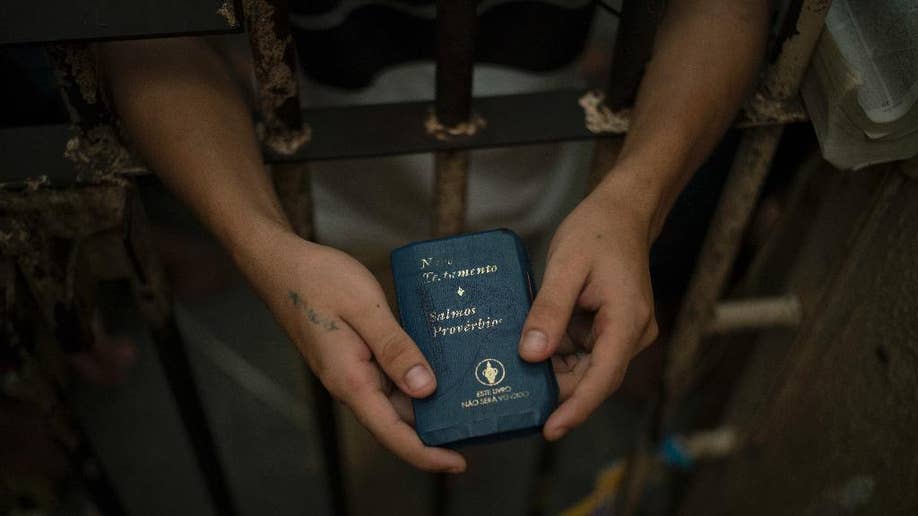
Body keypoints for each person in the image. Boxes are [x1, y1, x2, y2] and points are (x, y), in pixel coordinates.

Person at [98, 0, 769, 473]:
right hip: (329, 211)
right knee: (379, 409)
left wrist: (637, 199)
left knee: (523, 341)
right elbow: (141, 29)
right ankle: (384, 484)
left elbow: (723, 7)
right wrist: (258, 243)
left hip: (545, 188)